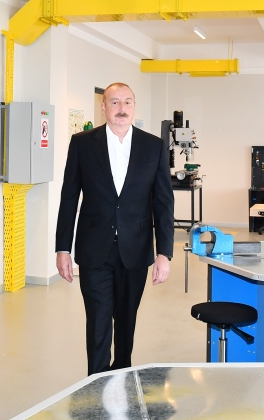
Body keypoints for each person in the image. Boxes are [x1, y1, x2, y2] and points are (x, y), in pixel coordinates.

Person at [55, 82, 175, 375]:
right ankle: (96, 384)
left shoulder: (153, 146)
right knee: (98, 322)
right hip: (94, 249)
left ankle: (122, 375)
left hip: (136, 249)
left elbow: (163, 202)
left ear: (134, 106)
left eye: (128, 102)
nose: (122, 109)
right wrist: (62, 248)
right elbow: (69, 197)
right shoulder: (83, 143)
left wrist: (164, 253)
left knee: (126, 321)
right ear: (103, 107)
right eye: (115, 102)